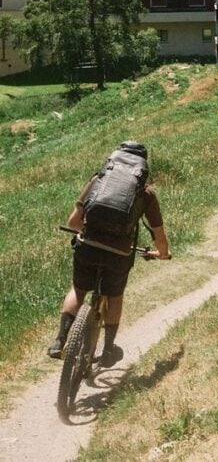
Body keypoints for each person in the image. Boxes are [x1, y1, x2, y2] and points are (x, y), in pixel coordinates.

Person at [47, 141, 171, 366]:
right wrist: (162, 253)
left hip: (88, 246)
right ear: (143, 167)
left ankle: (59, 340)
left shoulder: (98, 180)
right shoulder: (146, 193)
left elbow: (73, 221)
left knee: (78, 288)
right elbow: (159, 234)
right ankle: (107, 350)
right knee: (115, 296)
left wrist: (89, 233)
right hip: (118, 254)